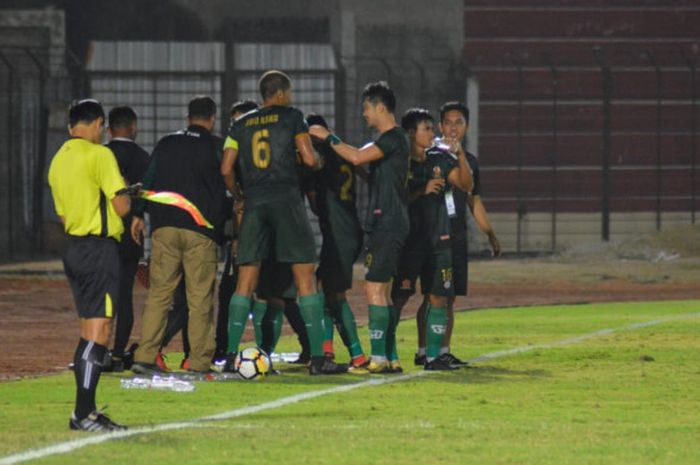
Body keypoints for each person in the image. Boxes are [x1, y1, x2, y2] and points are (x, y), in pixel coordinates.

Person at [220, 70, 346, 375]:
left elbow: (225, 167)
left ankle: (229, 358)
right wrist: (317, 160)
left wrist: (239, 192)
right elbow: (307, 157)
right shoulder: (292, 116)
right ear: (280, 93)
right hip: (286, 201)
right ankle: (318, 358)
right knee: (304, 279)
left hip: (255, 204)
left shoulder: (240, 124)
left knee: (245, 283)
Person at [309, 81, 410, 374]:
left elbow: (355, 156)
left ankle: (377, 357)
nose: (363, 113)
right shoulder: (392, 142)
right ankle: (390, 356)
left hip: (386, 222)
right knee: (385, 292)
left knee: (374, 289)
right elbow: (365, 167)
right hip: (392, 221)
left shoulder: (392, 138)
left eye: (366, 107)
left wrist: (328, 137)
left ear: (380, 107)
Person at [48, 98, 129, 431]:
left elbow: (65, 215)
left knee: (88, 333)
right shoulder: (100, 154)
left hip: (75, 249)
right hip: (99, 251)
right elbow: (122, 206)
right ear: (98, 124)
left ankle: (86, 411)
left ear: (70, 126)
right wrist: (126, 193)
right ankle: (83, 414)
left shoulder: (58, 160)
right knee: (100, 334)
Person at [131, 96, 227, 374]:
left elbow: (147, 180)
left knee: (160, 295)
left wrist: (138, 213)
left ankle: (145, 357)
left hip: (164, 227)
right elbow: (228, 181)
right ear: (212, 118)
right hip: (200, 230)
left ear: (188, 118)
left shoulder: (166, 143)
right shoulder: (216, 146)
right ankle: (198, 362)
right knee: (200, 299)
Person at [414, 101, 501, 367]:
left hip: (456, 234)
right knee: (432, 295)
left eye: (458, 122)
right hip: (432, 234)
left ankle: (443, 350)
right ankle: (423, 349)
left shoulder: (470, 160)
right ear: (440, 126)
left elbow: (473, 200)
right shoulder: (430, 153)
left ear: (467, 126)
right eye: (448, 123)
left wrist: (489, 233)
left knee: (448, 296)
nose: (453, 128)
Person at [390, 108, 472, 370]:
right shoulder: (399, 162)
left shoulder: (440, 158)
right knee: (399, 298)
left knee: (439, 297)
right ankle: (385, 354)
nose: (433, 133)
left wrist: (458, 153)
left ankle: (434, 357)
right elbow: (393, 199)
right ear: (412, 134)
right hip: (410, 242)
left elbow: (466, 184)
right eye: (427, 128)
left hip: (439, 241)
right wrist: (420, 191)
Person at [306, 113, 367, 369]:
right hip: (351, 228)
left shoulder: (318, 158)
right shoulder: (341, 150)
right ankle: (350, 354)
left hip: (338, 231)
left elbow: (315, 204)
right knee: (330, 289)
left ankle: (332, 351)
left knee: (326, 289)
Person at [103, 106, 149, 373]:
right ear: (134, 127)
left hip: (103, 234)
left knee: (101, 296)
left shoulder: (102, 155)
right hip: (131, 233)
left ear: (109, 129)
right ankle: (119, 353)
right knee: (124, 297)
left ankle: (98, 350)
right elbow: (149, 192)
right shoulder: (143, 157)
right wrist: (139, 215)